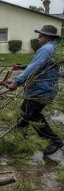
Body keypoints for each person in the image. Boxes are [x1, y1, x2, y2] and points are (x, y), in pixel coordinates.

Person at [8, 25, 63, 155]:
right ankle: (19, 134)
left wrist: (17, 81)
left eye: (40, 36)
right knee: (24, 111)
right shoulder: (54, 48)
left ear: (48, 37)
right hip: (46, 88)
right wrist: (23, 66)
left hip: (40, 90)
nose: (38, 38)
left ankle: (54, 141)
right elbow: (40, 65)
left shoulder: (46, 49)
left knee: (32, 115)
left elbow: (35, 66)